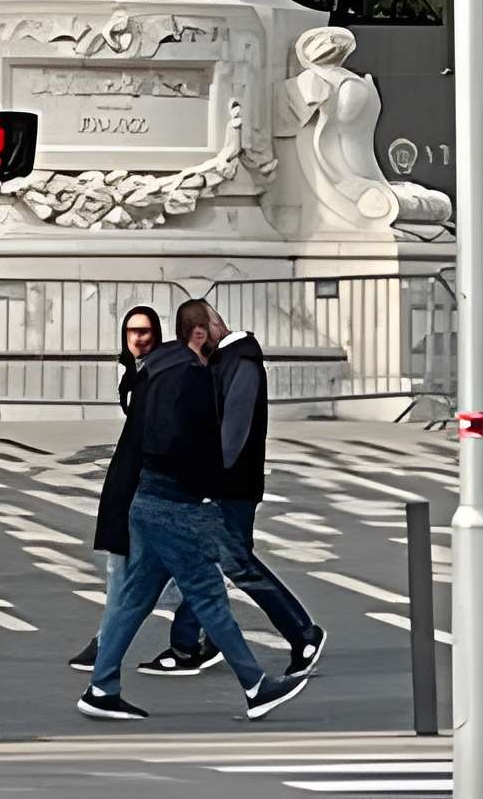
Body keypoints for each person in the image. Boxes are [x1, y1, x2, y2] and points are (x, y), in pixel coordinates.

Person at [77, 299, 319, 723]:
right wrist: (205, 488)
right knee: (208, 594)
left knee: (135, 597)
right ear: (201, 335)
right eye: (216, 330)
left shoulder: (156, 366)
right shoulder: (188, 376)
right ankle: (256, 686)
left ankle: (101, 686)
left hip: (145, 499)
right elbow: (177, 441)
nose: (221, 342)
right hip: (175, 504)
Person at [139, 301, 327, 683]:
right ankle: (189, 644)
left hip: (232, 487)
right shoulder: (225, 363)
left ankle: (302, 633)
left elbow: (233, 435)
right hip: (223, 484)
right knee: (209, 560)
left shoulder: (242, 362)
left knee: (236, 563)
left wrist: (207, 481)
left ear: (206, 331)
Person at [67, 304, 161, 674]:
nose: (138, 338)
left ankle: (106, 648)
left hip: (141, 486)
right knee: (176, 573)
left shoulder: (156, 376)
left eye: (145, 331)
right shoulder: (135, 374)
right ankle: (199, 636)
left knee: (127, 571)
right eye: (131, 332)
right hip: (131, 484)